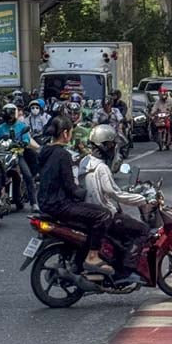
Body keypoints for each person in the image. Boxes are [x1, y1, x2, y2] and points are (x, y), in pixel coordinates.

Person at [37, 116, 114, 274]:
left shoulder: (44, 151)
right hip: (60, 205)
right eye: (71, 132)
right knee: (103, 214)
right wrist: (84, 192)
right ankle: (92, 257)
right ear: (65, 133)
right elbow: (70, 186)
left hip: (45, 203)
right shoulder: (63, 155)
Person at [80, 125, 150, 275]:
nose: (113, 148)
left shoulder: (84, 162)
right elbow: (115, 194)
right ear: (104, 146)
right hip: (105, 214)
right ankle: (128, 270)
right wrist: (141, 199)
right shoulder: (101, 168)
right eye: (111, 145)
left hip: (87, 212)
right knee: (143, 230)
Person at [0, 103, 39, 212]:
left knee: (28, 175)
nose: (9, 119)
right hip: (4, 155)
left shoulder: (21, 126)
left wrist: (23, 142)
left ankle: (34, 203)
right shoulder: (0, 128)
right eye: (7, 116)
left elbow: (26, 138)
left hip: (17, 154)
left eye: (11, 115)